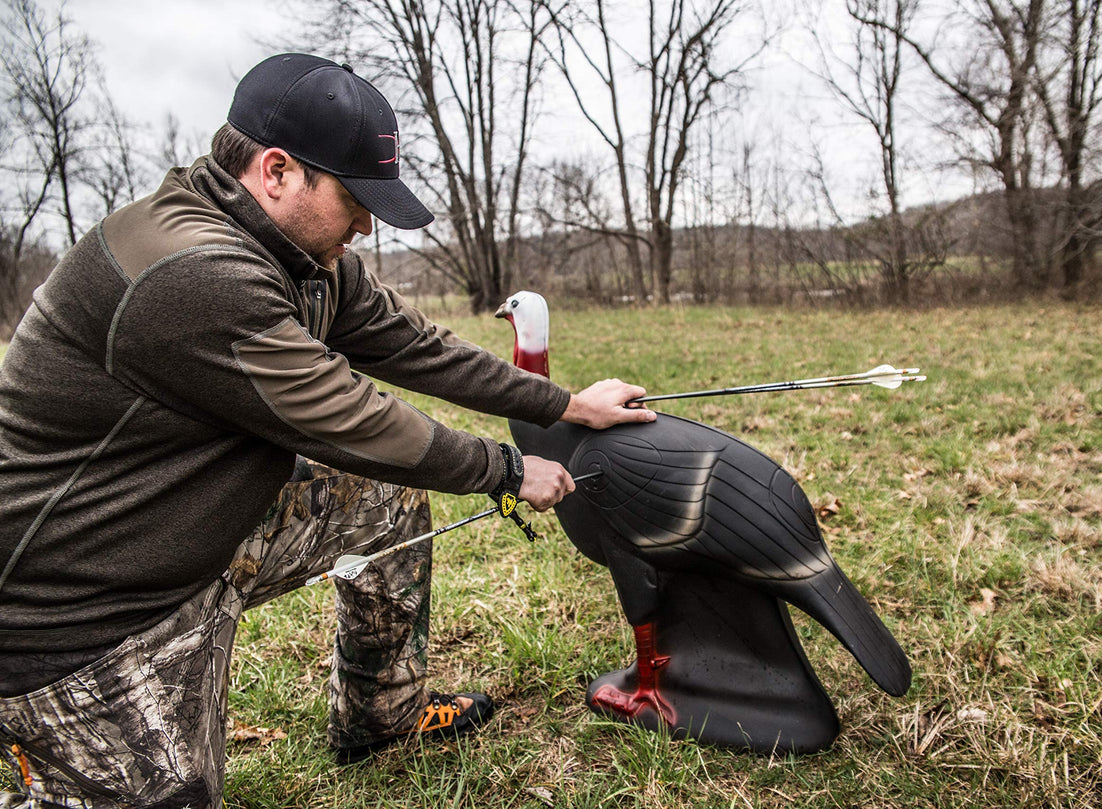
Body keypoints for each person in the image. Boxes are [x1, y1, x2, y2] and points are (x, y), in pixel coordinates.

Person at [0, 53, 655, 808]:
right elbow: (351, 417)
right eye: (354, 198)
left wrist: (566, 404)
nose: (367, 225)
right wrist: (507, 470)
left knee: (381, 498)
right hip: (78, 606)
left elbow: (412, 346)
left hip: (191, 529)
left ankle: (382, 716)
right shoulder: (190, 270)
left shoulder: (303, 253)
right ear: (276, 171)